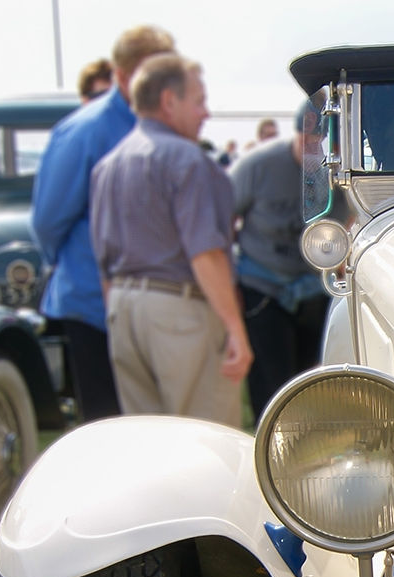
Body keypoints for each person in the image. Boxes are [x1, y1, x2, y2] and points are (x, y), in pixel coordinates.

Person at [90, 53, 252, 426]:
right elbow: (206, 254)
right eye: (199, 101)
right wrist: (235, 330)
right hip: (180, 313)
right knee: (206, 437)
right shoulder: (188, 161)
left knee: (148, 442)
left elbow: (102, 263)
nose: (205, 113)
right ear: (168, 101)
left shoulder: (107, 166)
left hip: (122, 309)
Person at [31, 25, 175, 422]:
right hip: (96, 307)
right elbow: (48, 220)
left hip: (155, 304)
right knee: (107, 424)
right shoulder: (85, 131)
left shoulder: (162, 125)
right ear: (125, 76)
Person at [230, 96, 340, 419]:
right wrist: (230, 281)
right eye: (307, 140)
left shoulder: (330, 170)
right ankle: (265, 446)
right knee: (270, 382)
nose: (312, 148)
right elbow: (222, 219)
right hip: (263, 285)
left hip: (312, 288)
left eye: (319, 141)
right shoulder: (257, 165)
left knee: (307, 382)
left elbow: (344, 224)